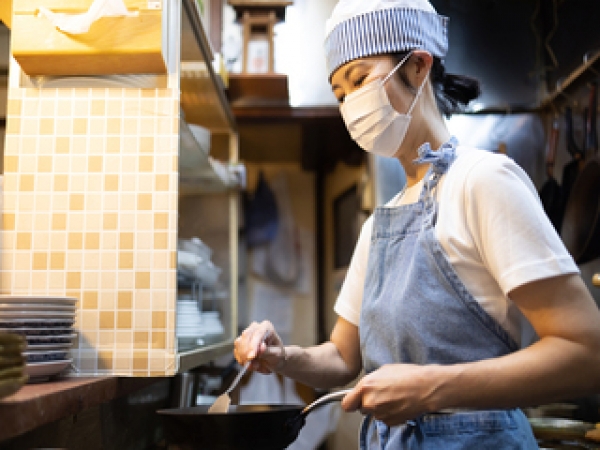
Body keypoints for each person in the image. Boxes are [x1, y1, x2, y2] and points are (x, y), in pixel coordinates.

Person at [234, 0, 600, 448]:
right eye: (340, 94)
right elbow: (343, 357)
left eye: (359, 80)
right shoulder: (379, 224)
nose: (350, 105)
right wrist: (283, 357)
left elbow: (586, 352)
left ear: (418, 66)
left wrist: (430, 388)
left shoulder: (483, 181)